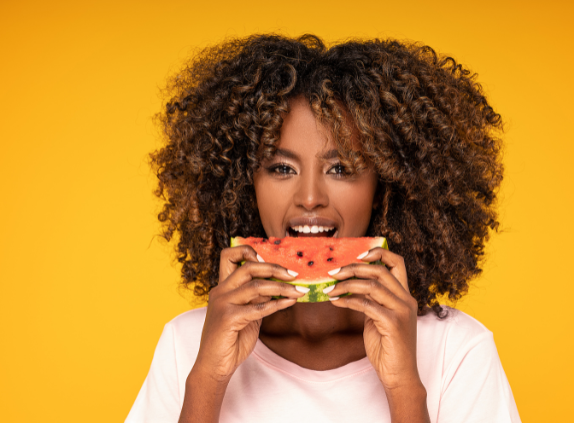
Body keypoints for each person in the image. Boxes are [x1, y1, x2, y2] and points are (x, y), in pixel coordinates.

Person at [125, 34, 521, 423]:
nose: (310, 197)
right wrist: (207, 380)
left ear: (385, 187)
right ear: (246, 185)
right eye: (281, 168)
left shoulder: (457, 350)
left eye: (340, 168)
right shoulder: (189, 344)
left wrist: (404, 389)